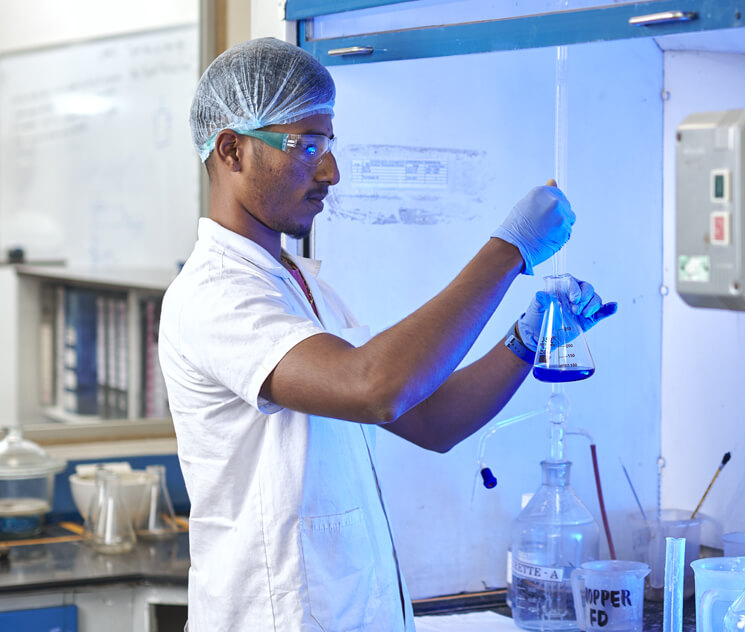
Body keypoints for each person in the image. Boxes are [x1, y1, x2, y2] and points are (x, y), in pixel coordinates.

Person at [158, 37, 617, 632]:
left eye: (330, 144)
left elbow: (429, 420)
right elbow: (375, 386)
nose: (330, 171)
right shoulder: (216, 295)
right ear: (232, 150)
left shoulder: (301, 288)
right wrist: (510, 250)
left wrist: (525, 341)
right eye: (308, 146)